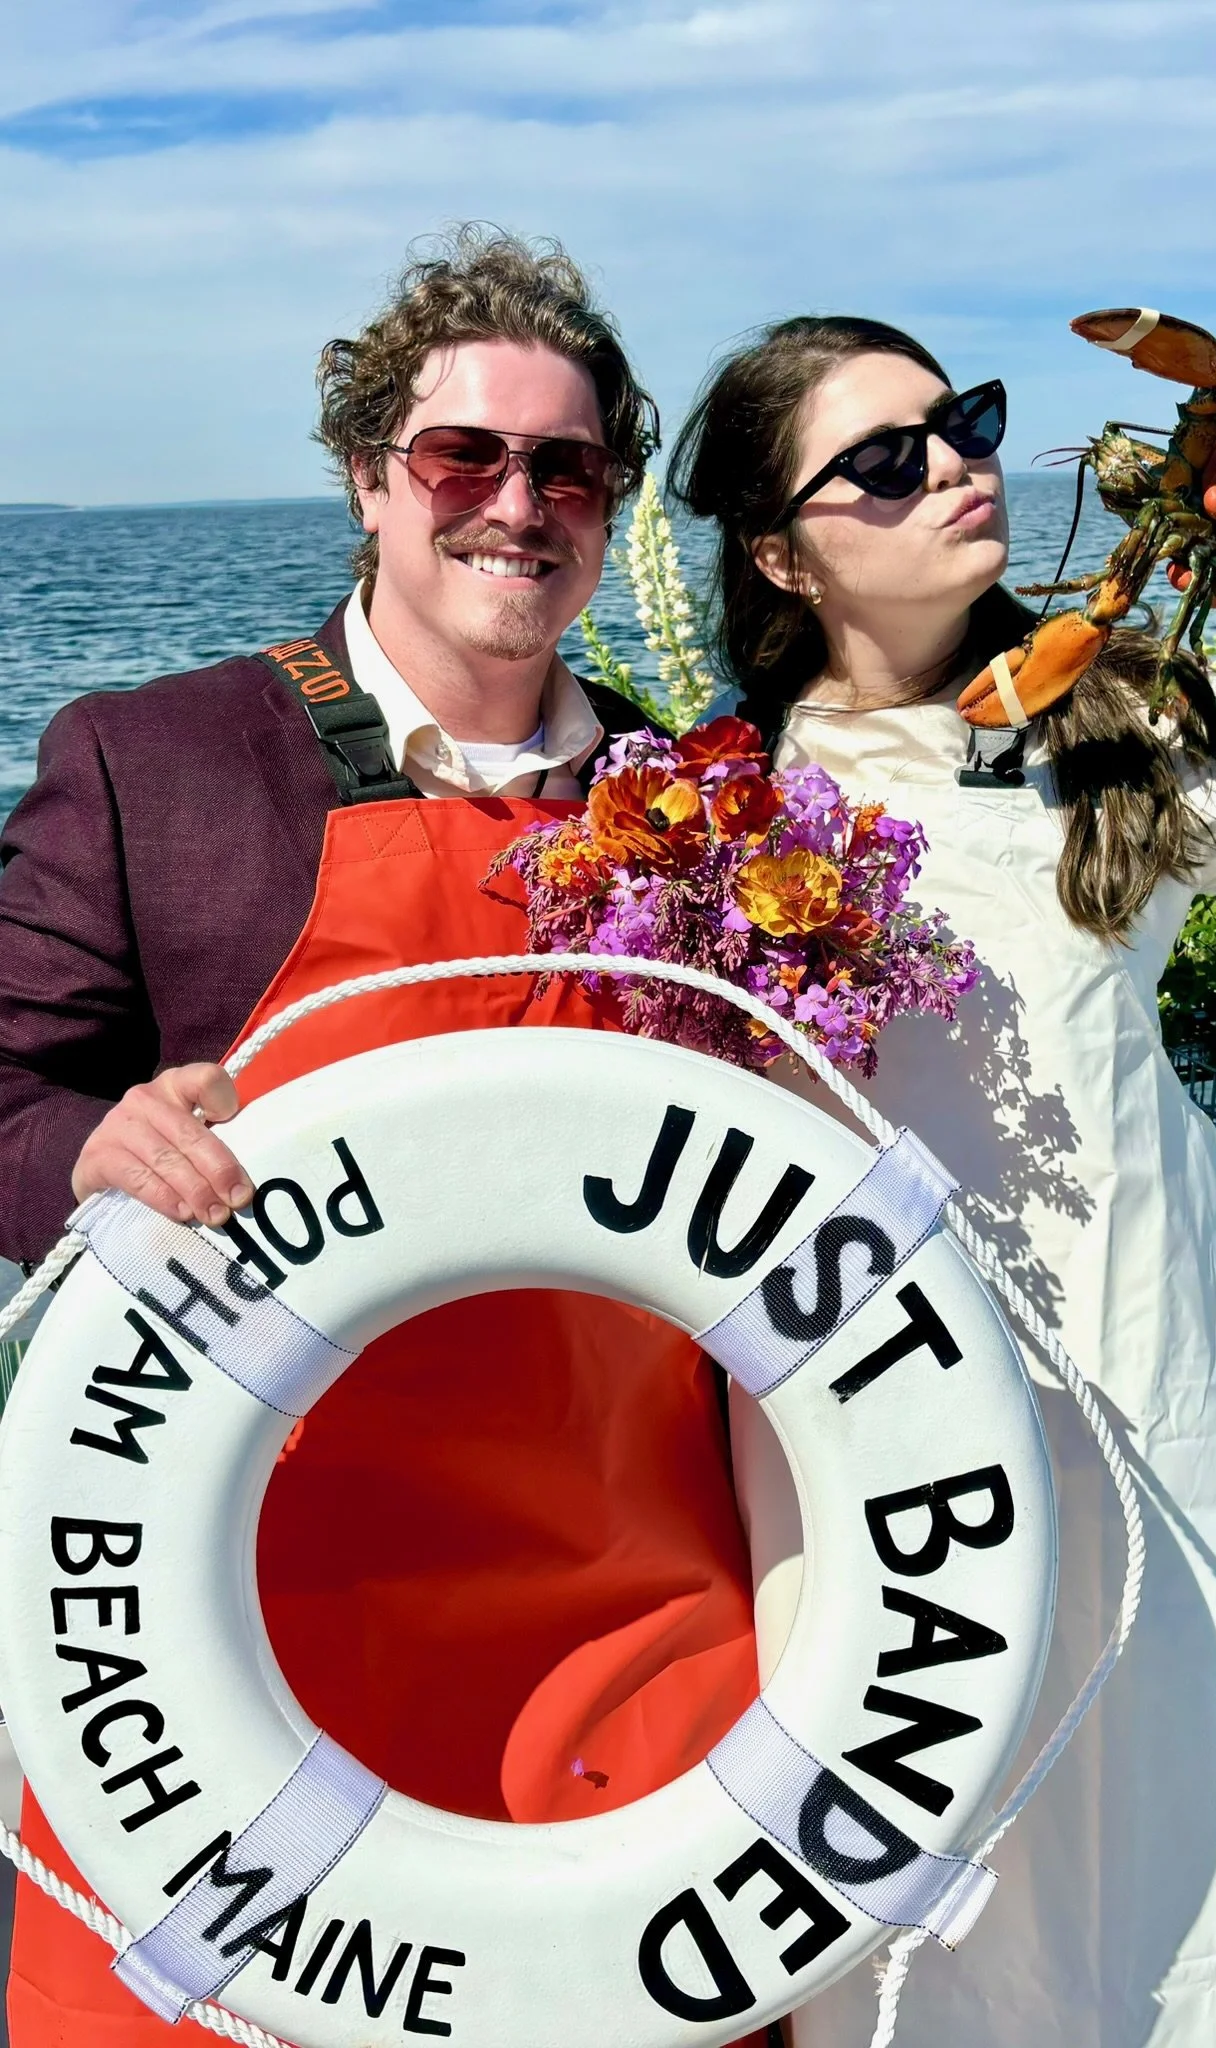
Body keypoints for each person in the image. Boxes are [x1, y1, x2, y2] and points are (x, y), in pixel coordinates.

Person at [671, 315, 1216, 2048]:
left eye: (963, 422)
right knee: (907, 1772)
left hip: (1130, 1319)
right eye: (886, 458)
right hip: (850, 1377)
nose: (957, 463)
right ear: (775, 548)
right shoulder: (719, 793)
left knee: (1167, 1767)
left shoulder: (1125, 719)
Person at [0, 229, 766, 2045]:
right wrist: (86, 1155)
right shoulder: (155, 762)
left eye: (570, 467)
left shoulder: (694, 799)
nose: (519, 504)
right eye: (462, 458)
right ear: (369, 478)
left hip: (631, 1603)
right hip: (234, 1609)